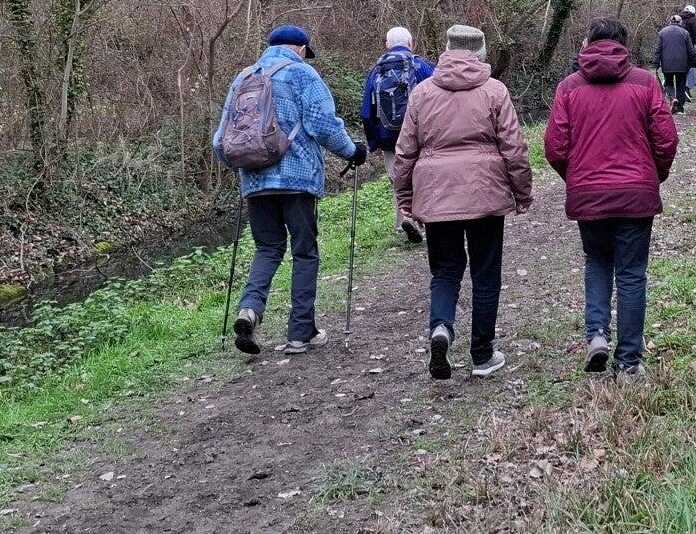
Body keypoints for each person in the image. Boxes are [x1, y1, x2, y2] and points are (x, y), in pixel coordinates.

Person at [215, 24, 366, 357]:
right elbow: (324, 125)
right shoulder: (302, 74)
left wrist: (242, 166)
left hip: (255, 181)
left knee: (267, 248)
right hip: (298, 179)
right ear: (301, 49)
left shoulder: (243, 78)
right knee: (304, 252)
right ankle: (300, 334)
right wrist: (352, 152)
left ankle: (249, 310)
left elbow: (220, 140)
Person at [392, 24, 533, 380]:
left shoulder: (423, 93)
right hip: (486, 195)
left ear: (447, 49)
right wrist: (522, 193)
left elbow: (405, 152)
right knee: (486, 275)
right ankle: (482, 354)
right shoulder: (495, 90)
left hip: (437, 196)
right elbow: (514, 148)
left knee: (445, 271)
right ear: (481, 52)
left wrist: (406, 199)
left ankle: (441, 328)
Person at [544, 18, 679, 380]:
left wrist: (578, 179)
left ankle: (597, 335)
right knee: (632, 274)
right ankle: (629, 362)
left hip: (588, 193)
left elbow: (555, 147)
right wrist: (652, 176)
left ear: (588, 43)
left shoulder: (569, 87)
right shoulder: (645, 82)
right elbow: (666, 139)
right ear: (623, 44)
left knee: (598, 262)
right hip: (636, 192)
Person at [360, 26, 436, 243]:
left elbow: (366, 112)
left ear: (387, 45)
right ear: (410, 43)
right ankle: (427, 220)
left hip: (388, 137)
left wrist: (374, 142)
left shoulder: (377, 71)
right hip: (421, 134)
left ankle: (404, 221)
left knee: (399, 179)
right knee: (424, 175)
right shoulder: (421, 67)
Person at [654, 14, 694, 114]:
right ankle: (680, 108)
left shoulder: (662, 32)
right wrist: (694, 61)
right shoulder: (685, 33)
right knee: (681, 85)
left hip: (667, 62)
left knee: (668, 82)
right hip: (682, 63)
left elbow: (658, 49)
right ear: (680, 22)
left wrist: (656, 62)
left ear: (670, 21)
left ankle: (672, 98)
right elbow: (690, 50)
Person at [679, 5, 696, 101]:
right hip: (690, 47)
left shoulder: (680, 20)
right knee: (690, 68)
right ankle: (687, 90)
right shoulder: (693, 20)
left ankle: (682, 90)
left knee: (682, 69)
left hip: (680, 48)